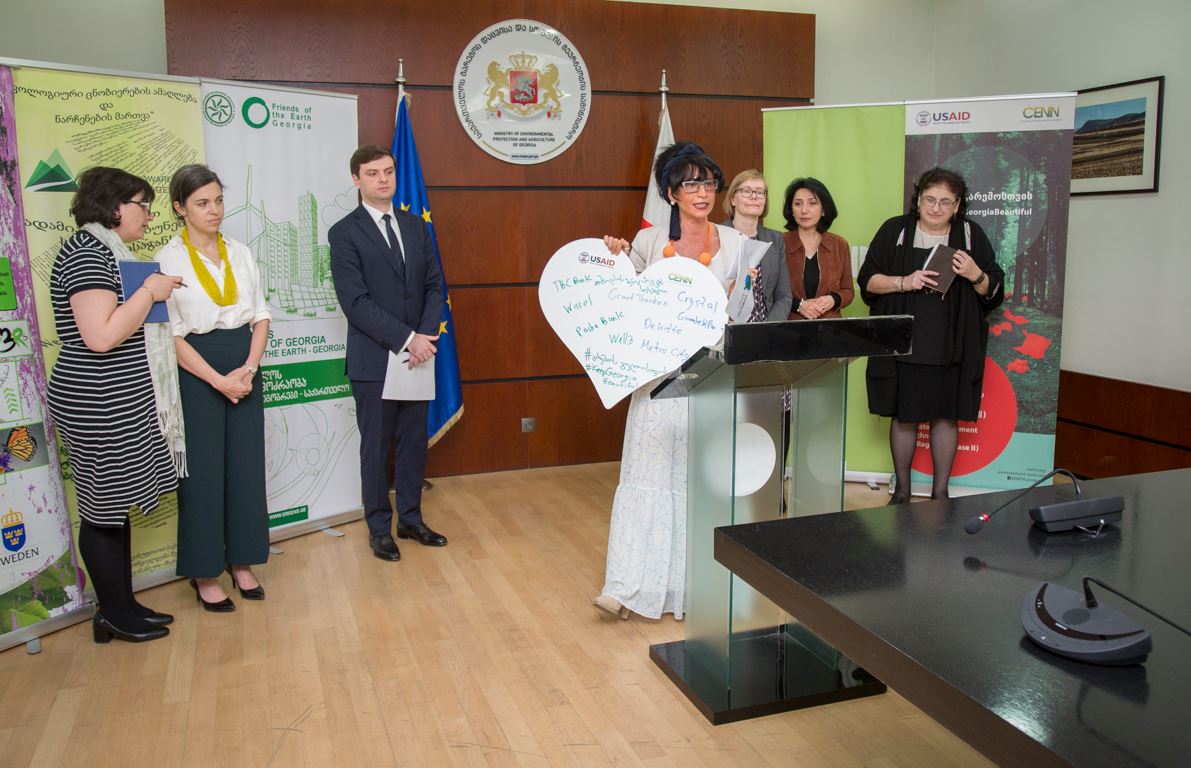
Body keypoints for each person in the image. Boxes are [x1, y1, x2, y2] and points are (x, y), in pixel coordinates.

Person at [595, 140, 743, 620]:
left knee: (705, 479)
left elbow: (744, 307)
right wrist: (615, 257)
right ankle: (626, 585)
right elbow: (624, 299)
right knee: (649, 475)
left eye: (709, 183)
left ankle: (699, 586)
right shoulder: (647, 241)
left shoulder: (737, 242)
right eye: (690, 184)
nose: (702, 193)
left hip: (713, 372)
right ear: (671, 193)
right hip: (658, 375)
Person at [47, 167, 183, 643]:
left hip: (116, 398)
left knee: (115, 505)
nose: (148, 216)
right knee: (103, 508)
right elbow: (101, 337)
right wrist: (150, 292)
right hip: (95, 400)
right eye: (142, 205)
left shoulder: (108, 251)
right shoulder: (86, 254)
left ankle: (122, 604)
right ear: (114, 207)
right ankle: (111, 614)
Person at [156, 164, 271, 611]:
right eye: (202, 203)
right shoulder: (167, 259)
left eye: (219, 200)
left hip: (244, 366)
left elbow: (260, 315)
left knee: (246, 468)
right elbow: (170, 334)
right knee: (202, 474)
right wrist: (218, 380)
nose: (215, 210)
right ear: (179, 208)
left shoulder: (239, 251)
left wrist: (249, 368)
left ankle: (242, 561)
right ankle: (204, 571)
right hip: (197, 370)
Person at [857, 167, 1004, 503]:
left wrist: (975, 273)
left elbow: (993, 291)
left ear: (957, 205)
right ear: (918, 199)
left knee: (946, 418)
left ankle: (940, 495)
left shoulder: (970, 235)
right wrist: (904, 282)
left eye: (945, 201)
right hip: (903, 344)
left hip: (952, 345)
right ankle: (902, 492)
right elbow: (867, 281)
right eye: (929, 199)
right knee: (904, 416)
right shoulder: (895, 230)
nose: (936, 207)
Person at [329, 145, 446, 562]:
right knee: (376, 448)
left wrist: (424, 337)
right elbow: (355, 302)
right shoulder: (344, 233)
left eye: (389, 171)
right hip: (375, 359)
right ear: (356, 180)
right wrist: (407, 338)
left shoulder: (415, 226)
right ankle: (379, 528)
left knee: (414, 443)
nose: (383, 179)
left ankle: (411, 519)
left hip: (419, 355)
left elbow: (433, 285)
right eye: (373, 173)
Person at [723, 169, 792, 321]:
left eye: (760, 192)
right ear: (733, 199)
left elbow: (784, 296)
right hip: (727, 327)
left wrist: (769, 329)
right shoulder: (718, 235)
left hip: (766, 329)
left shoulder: (776, 239)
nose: (754, 196)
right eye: (746, 191)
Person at [782, 177, 853, 320]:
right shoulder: (779, 243)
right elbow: (771, 292)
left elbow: (848, 291)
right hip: (789, 326)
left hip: (829, 327)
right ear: (791, 210)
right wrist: (798, 305)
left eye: (812, 203)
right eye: (798, 204)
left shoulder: (840, 244)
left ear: (824, 210)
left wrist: (833, 299)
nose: (804, 210)